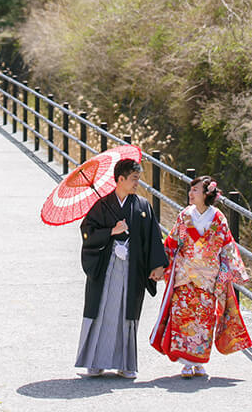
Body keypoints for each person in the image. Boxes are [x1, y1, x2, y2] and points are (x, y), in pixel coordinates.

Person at [150, 175, 252, 377]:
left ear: (207, 193)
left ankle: (199, 361)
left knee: (204, 320)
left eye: (195, 190)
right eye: (191, 190)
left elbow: (227, 247)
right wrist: (161, 265)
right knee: (182, 316)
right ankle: (186, 363)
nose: (190, 193)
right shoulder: (185, 216)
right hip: (184, 275)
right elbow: (172, 242)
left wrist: (229, 273)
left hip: (208, 279)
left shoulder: (218, 218)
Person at [75, 158, 168, 379]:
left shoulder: (143, 207)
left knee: (127, 314)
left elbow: (153, 237)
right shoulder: (101, 205)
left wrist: (157, 265)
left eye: (138, 179)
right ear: (120, 179)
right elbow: (87, 232)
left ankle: (126, 364)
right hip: (106, 266)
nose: (137, 183)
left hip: (132, 268)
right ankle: (95, 362)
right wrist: (111, 232)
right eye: (134, 179)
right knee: (102, 311)